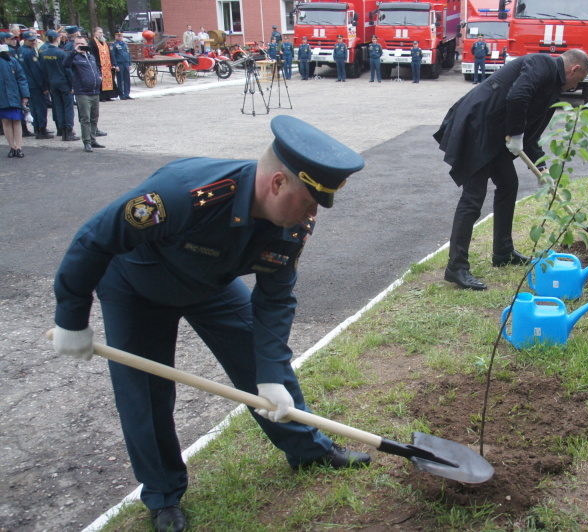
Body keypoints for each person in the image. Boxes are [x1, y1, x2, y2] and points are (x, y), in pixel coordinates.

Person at [51, 115, 372, 532]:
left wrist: (271, 373)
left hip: (210, 286)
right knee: (145, 396)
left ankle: (308, 450)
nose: (313, 213)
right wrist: (71, 317)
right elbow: (95, 239)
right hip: (137, 287)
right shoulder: (182, 193)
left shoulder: (292, 224)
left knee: (262, 366)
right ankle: (164, 496)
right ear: (277, 183)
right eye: (309, 201)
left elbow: (275, 299)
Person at [433, 49, 588, 290]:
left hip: (497, 135)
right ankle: (457, 267)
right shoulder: (541, 64)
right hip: (478, 127)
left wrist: (543, 168)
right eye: (578, 80)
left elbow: (533, 132)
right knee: (473, 197)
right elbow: (518, 96)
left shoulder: (553, 87)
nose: (575, 85)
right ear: (574, 69)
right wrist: (516, 134)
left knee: (508, 185)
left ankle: (503, 252)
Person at [65, 34, 104, 152]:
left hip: (94, 91)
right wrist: (74, 52)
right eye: (77, 44)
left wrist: (99, 77)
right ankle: (86, 141)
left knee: (94, 117)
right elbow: (65, 65)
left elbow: (96, 68)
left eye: (82, 44)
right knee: (85, 118)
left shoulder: (90, 56)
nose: (80, 46)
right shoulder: (74, 57)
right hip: (82, 92)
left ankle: (93, 139)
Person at [39, 29, 80, 141]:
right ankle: (68, 131)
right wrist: (71, 85)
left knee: (58, 107)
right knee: (68, 107)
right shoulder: (61, 53)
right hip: (63, 83)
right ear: (57, 39)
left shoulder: (43, 53)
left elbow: (43, 71)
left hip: (52, 83)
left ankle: (61, 130)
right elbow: (67, 70)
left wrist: (46, 85)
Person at [18, 31, 54, 139]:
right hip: (35, 85)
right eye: (31, 40)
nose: (33, 42)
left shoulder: (20, 51)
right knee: (40, 107)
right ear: (25, 40)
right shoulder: (29, 53)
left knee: (33, 107)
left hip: (27, 84)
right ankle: (41, 130)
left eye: (34, 40)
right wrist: (43, 87)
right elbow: (36, 71)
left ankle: (37, 128)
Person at [0, 42, 30, 158]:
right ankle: (12, 147)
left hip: (14, 95)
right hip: (3, 96)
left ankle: (18, 147)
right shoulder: (11, 61)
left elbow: (21, 79)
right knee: (6, 122)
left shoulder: (12, 61)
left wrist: (25, 95)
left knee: (16, 121)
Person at [88, 27, 117, 102]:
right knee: (101, 81)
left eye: (101, 32)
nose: (101, 34)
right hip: (99, 65)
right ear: (95, 33)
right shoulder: (92, 42)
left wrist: (112, 63)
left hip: (107, 65)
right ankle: (102, 96)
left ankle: (108, 95)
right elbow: (92, 54)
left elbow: (110, 53)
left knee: (109, 80)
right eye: (99, 32)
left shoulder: (104, 42)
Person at [110, 32, 133, 100]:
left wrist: (130, 63)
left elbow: (128, 54)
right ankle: (121, 94)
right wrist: (115, 65)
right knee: (120, 79)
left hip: (126, 63)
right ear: (116, 36)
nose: (120, 37)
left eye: (121, 36)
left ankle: (127, 94)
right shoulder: (114, 45)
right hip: (119, 64)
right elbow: (113, 55)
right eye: (118, 36)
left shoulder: (125, 44)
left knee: (127, 79)